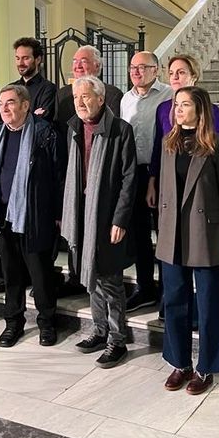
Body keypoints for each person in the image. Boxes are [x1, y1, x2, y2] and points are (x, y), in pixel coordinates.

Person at [156, 86, 219, 395]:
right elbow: (164, 191)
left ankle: (206, 366)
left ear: (200, 110)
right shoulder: (168, 143)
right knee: (174, 299)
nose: (178, 109)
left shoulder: (217, 144)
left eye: (185, 105)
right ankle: (180, 363)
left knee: (207, 302)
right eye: (177, 104)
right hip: (172, 232)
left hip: (206, 231)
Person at [0, 84, 62, 347]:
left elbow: (59, 177)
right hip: (2, 216)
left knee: (40, 274)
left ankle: (47, 323)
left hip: (34, 216)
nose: (4, 108)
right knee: (10, 274)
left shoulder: (44, 133)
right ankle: (13, 323)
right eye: (1, 103)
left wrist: (57, 213)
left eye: (10, 102)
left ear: (25, 105)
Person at [62, 76, 136, 369]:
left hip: (106, 215)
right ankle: (99, 329)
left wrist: (120, 218)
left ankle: (118, 340)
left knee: (110, 280)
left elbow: (129, 179)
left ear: (101, 99)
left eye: (86, 96)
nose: (79, 102)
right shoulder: (73, 128)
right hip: (81, 213)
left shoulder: (120, 130)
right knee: (89, 275)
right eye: (76, 97)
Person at [142, 54, 219, 315]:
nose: (175, 77)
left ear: (193, 76)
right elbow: (159, 147)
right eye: (172, 73)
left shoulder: (208, 108)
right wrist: (153, 180)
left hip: (197, 190)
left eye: (181, 72)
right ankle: (170, 305)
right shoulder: (163, 108)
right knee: (170, 252)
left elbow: (212, 150)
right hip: (170, 185)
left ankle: (196, 312)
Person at [120, 51, 171, 311]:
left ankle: (166, 291)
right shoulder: (125, 99)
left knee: (164, 234)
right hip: (133, 173)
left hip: (161, 173)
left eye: (142, 67)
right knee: (139, 234)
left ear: (156, 70)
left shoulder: (169, 96)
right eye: (132, 67)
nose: (136, 71)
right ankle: (144, 288)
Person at [55, 45, 123, 122]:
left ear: (97, 66)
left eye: (84, 61)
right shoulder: (62, 94)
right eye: (75, 61)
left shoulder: (113, 94)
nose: (78, 66)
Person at [12, 37, 56, 120]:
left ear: (38, 59)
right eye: (18, 58)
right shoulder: (11, 88)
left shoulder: (48, 89)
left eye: (25, 58)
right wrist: (32, 115)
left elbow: (42, 121)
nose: (20, 63)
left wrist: (16, 117)